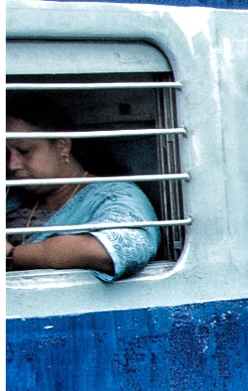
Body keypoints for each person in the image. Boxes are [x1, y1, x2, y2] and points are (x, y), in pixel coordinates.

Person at [6, 97, 159, 279]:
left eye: (24, 151)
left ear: (62, 146)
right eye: (5, 153)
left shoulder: (115, 196)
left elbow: (113, 250)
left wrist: (13, 256)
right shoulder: (13, 197)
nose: (12, 165)